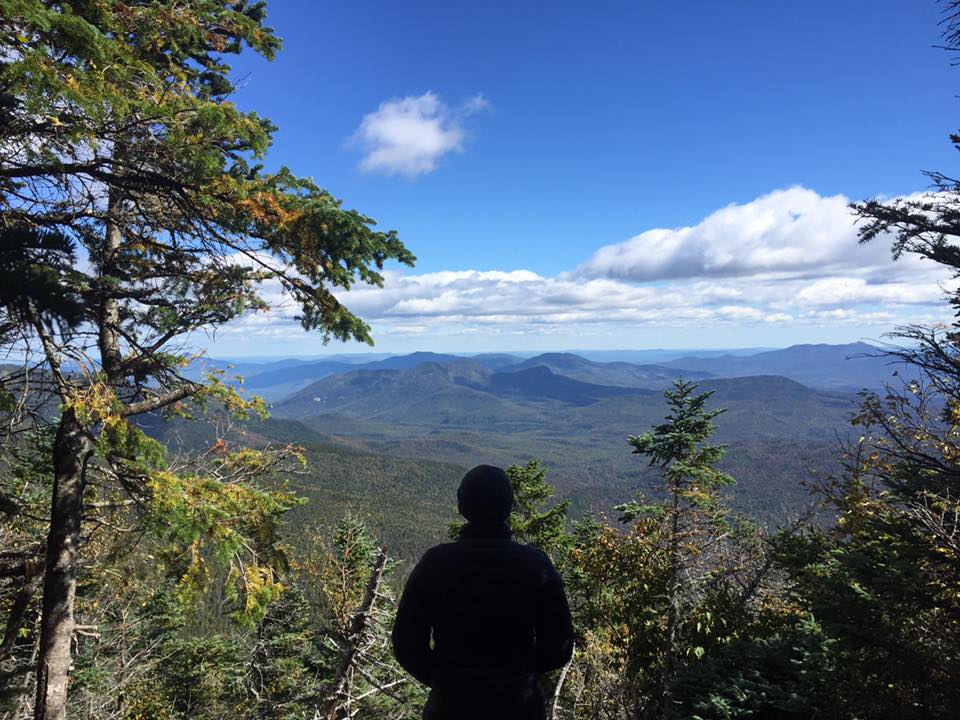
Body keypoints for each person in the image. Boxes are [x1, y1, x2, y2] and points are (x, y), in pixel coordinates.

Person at [392, 464, 574, 720]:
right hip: (520, 708)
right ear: (509, 507)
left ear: (461, 507)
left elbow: (406, 644)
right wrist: (523, 675)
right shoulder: (536, 565)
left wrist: (444, 679)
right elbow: (559, 647)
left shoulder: (435, 564)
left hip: (451, 707)